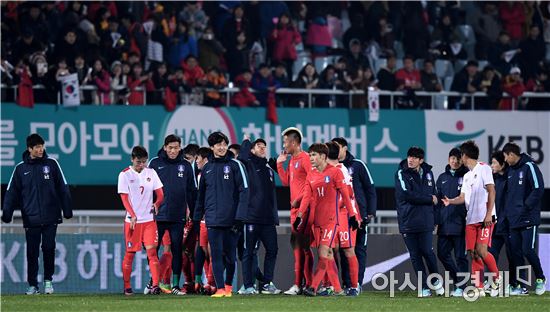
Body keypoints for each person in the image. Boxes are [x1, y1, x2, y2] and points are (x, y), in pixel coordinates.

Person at [2, 133, 72, 295]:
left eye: (42, 146)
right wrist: (7, 213)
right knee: (32, 252)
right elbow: (11, 193)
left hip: (51, 216)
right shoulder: (20, 169)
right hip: (30, 217)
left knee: (49, 248)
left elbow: (63, 187)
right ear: (29, 149)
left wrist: (67, 209)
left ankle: (48, 281)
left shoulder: (52, 164)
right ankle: (33, 285)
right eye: (37, 147)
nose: (41, 150)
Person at [295, 143, 358, 297]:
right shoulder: (311, 175)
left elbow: (345, 194)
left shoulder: (336, 172)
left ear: (323, 156)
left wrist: (352, 216)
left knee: (325, 251)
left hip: (332, 220)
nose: (311, 158)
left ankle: (313, 287)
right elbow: (307, 198)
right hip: (317, 221)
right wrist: (299, 216)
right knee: (326, 254)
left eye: (314, 155)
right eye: (310, 155)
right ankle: (338, 289)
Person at [193, 132, 249, 298]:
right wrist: (197, 218)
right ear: (212, 147)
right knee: (215, 255)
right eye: (218, 144)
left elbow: (244, 191)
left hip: (232, 221)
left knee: (230, 257)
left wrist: (240, 217)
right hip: (212, 220)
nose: (222, 147)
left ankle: (228, 286)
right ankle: (220, 289)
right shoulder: (207, 169)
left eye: (224, 144)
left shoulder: (235, 165)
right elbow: (200, 197)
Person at [442, 141, 500, 297]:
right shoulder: (467, 176)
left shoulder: (484, 168)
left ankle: (497, 278)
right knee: (473, 252)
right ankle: (479, 286)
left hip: (485, 218)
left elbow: (492, 191)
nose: (459, 158)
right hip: (471, 219)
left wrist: (489, 214)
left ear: (465, 156)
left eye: (461, 155)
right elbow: (462, 197)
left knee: (482, 250)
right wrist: (451, 201)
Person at [146, 135, 197, 295]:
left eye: (176, 147)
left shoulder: (186, 166)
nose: (173, 150)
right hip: (158, 216)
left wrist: (192, 210)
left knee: (177, 250)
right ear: (165, 147)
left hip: (177, 216)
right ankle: (154, 282)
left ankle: (174, 285)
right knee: (152, 251)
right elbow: (146, 189)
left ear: (180, 148)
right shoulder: (154, 163)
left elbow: (191, 191)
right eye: (170, 147)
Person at [395, 146, 444, 297]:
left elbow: (435, 196)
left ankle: (435, 280)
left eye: (415, 158)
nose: (411, 160)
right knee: (415, 256)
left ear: (421, 160)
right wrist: (429, 199)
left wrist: (435, 218)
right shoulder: (401, 173)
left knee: (428, 252)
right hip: (408, 221)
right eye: (410, 156)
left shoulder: (428, 173)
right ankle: (423, 287)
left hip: (426, 221)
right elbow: (407, 195)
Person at [117, 146, 164, 295]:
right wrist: (132, 215)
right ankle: (127, 286)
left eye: (144, 162)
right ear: (132, 159)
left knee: (152, 253)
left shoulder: (151, 172)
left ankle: (155, 285)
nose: (141, 165)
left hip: (149, 221)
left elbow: (160, 193)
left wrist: (157, 204)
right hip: (132, 222)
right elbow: (124, 198)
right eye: (138, 162)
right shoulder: (124, 175)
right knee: (130, 254)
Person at [331, 137, 376, 294]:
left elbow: (370, 188)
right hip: (341, 217)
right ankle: (347, 283)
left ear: (344, 148)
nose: (334, 149)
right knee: (344, 250)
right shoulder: (332, 166)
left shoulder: (358, 165)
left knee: (359, 250)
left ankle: (357, 284)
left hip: (359, 216)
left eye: (337, 147)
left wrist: (370, 212)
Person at [238, 135, 281, 295]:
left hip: (268, 219)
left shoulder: (269, 168)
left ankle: (266, 283)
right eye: (259, 146)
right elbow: (242, 156)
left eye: (264, 146)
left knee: (272, 250)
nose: (263, 148)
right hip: (251, 218)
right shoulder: (247, 164)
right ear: (252, 150)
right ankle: (248, 285)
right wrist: (246, 142)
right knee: (248, 252)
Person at [502, 142, 546, 295]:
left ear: (512, 155)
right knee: (516, 253)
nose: (505, 160)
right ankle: (521, 286)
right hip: (513, 219)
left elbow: (538, 188)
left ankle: (540, 278)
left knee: (527, 250)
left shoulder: (530, 166)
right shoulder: (510, 171)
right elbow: (508, 195)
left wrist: (525, 207)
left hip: (528, 217)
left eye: (506, 157)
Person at [276, 127, 314, 295]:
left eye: (285, 142)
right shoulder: (292, 160)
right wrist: (279, 164)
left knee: (302, 247)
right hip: (294, 210)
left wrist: (299, 200)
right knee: (301, 247)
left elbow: (311, 183)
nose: (284, 145)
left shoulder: (305, 158)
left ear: (293, 142)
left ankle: (303, 284)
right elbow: (286, 182)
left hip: (304, 209)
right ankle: (304, 285)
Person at [325, 142, 361, 296]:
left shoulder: (341, 170)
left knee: (348, 250)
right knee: (328, 250)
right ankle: (332, 286)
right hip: (332, 216)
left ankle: (354, 286)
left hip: (344, 215)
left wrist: (353, 215)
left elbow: (349, 194)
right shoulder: (327, 171)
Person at [488, 150, 526, 295]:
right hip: (497, 225)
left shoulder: (512, 179)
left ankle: (518, 284)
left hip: (510, 224)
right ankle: (493, 283)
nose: (492, 165)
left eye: (494, 163)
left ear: (503, 164)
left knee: (514, 255)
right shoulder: (493, 180)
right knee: (491, 253)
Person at [434, 148, 469, 297]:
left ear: (462, 160)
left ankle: (461, 286)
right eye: (452, 158)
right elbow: (437, 202)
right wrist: (436, 220)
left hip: (460, 224)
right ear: (448, 159)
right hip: (444, 225)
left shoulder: (467, 176)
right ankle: (459, 281)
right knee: (442, 254)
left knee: (461, 257)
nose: (454, 161)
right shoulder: (442, 177)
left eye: (457, 159)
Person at [193, 147, 216, 295]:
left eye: (198, 159)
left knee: (212, 251)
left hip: (212, 218)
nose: (196, 162)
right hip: (203, 219)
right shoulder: (201, 175)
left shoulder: (211, 174)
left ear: (205, 159)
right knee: (204, 250)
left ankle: (211, 283)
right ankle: (209, 281)